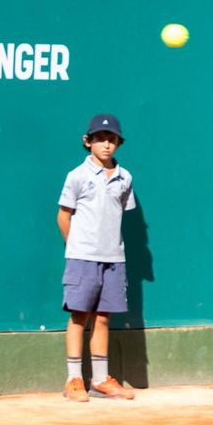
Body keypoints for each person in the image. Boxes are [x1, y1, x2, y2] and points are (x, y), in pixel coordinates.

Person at [57, 112, 139, 403]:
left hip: (114, 259)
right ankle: (74, 379)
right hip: (82, 258)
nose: (106, 144)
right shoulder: (76, 176)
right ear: (87, 141)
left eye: (112, 139)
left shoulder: (124, 177)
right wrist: (77, 247)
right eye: (100, 139)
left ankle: (101, 380)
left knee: (103, 318)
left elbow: (118, 213)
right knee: (79, 317)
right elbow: (63, 216)